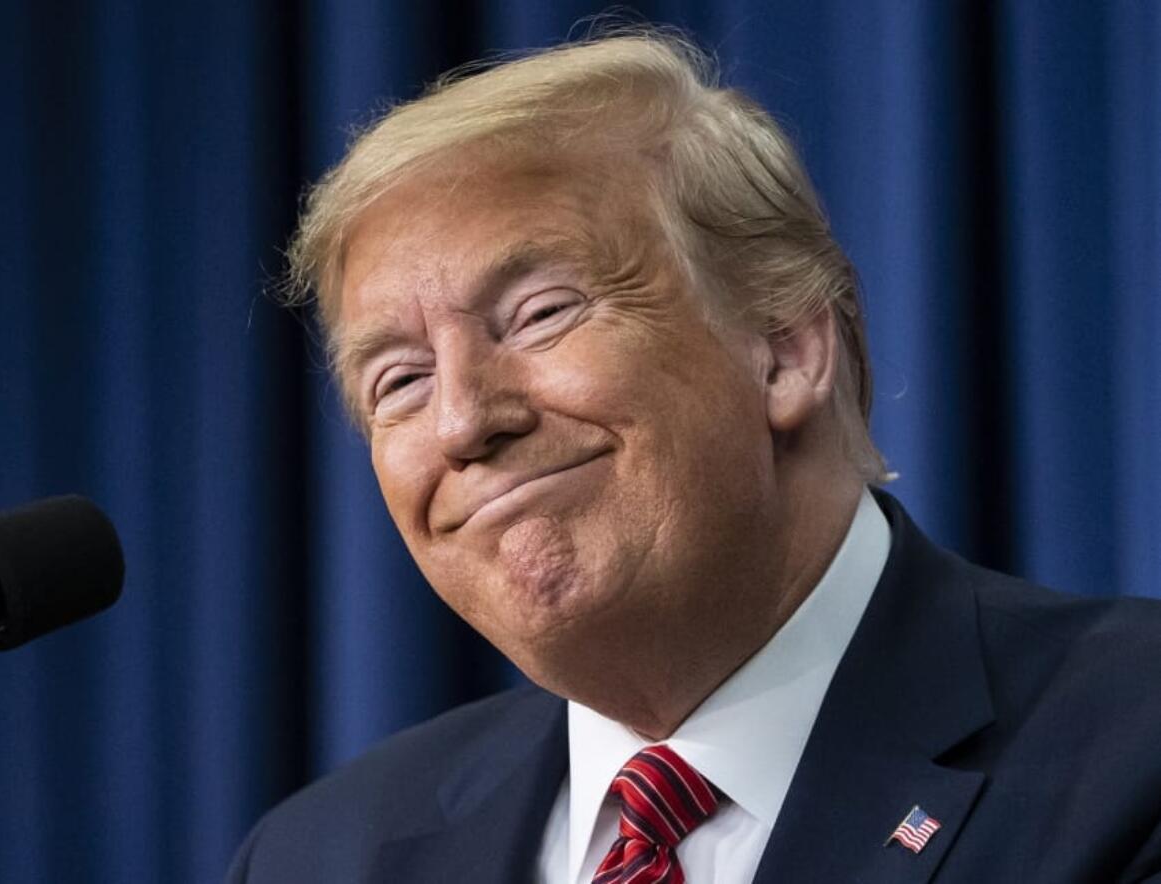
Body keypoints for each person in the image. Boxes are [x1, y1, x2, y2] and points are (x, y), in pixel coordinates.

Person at [228, 30, 1161, 883]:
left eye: (542, 314)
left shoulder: (1130, 746)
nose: (464, 422)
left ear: (786, 347)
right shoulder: (318, 856)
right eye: (400, 381)